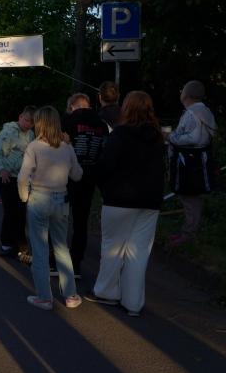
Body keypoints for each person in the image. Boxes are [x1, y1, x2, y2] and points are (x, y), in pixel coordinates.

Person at [86, 91, 165, 316]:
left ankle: (107, 291)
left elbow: (106, 165)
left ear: (127, 108)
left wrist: (102, 186)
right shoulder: (158, 138)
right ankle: (133, 302)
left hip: (119, 199)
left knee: (113, 248)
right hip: (150, 202)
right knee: (138, 253)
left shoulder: (120, 134)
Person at [18, 106, 83, 310]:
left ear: (39, 123)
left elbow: (22, 177)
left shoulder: (34, 147)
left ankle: (45, 298)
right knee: (61, 248)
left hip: (39, 198)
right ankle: (71, 295)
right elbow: (77, 175)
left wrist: (25, 197)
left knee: (40, 250)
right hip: (61, 199)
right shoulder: (66, 146)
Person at [61, 93, 109, 276]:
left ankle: (54, 261)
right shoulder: (101, 124)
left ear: (72, 106)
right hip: (89, 177)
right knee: (81, 222)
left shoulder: (68, 121)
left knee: (58, 219)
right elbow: (105, 150)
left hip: (66, 176)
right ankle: (76, 264)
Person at [166, 80, 218, 245]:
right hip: (198, 161)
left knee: (189, 197)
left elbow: (194, 138)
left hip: (189, 163)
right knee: (191, 198)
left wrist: (170, 137)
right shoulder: (205, 111)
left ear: (186, 95)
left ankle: (188, 234)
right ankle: (188, 230)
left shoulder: (192, 113)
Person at [0, 106, 36, 260]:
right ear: (20, 116)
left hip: (23, 178)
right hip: (6, 177)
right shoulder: (7, 132)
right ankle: (6, 245)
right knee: (10, 211)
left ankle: (21, 246)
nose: (28, 124)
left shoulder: (31, 135)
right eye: (26, 120)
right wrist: (2, 169)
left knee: (21, 212)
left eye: (32, 122)